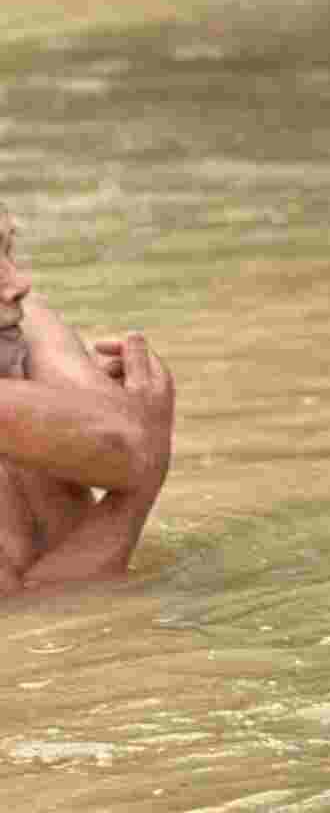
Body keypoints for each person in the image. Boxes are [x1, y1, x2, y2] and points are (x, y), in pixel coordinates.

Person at [0, 204, 175, 593]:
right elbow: (47, 617)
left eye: (8, 250)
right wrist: (144, 479)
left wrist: (144, 442)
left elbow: (125, 446)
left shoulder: (22, 324)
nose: (19, 284)